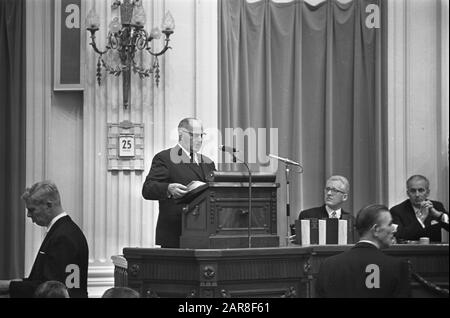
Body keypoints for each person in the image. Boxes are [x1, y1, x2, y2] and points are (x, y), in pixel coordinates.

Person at [0, 181, 89, 298]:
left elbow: (52, 289)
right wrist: (14, 284)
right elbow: (45, 280)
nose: (28, 215)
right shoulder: (64, 231)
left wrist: (8, 286)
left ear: (48, 205)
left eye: (32, 209)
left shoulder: (63, 237)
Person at [142, 118, 216, 248]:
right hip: (176, 232)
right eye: (194, 135)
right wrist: (168, 188)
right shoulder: (165, 158)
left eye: (201, 135)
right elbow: (147, 189)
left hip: (204, 233)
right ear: (181, 133)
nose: (200, 140)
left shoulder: (208, 162)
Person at [315, 204, 410, 298]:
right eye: (390, 224)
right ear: (376, 229)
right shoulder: (397, 267)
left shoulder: (328, 265)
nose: (394, 229)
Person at [390, 175, 449, 242]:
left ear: (427, 193)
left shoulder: (437, 206)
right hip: (409, 251)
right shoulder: (397, 211)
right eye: (413, 191)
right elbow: (399, 236)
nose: (417, 195)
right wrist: (421, 219)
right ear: (408, 193)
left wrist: (439, 215)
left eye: (421, 190)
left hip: (435, 251)